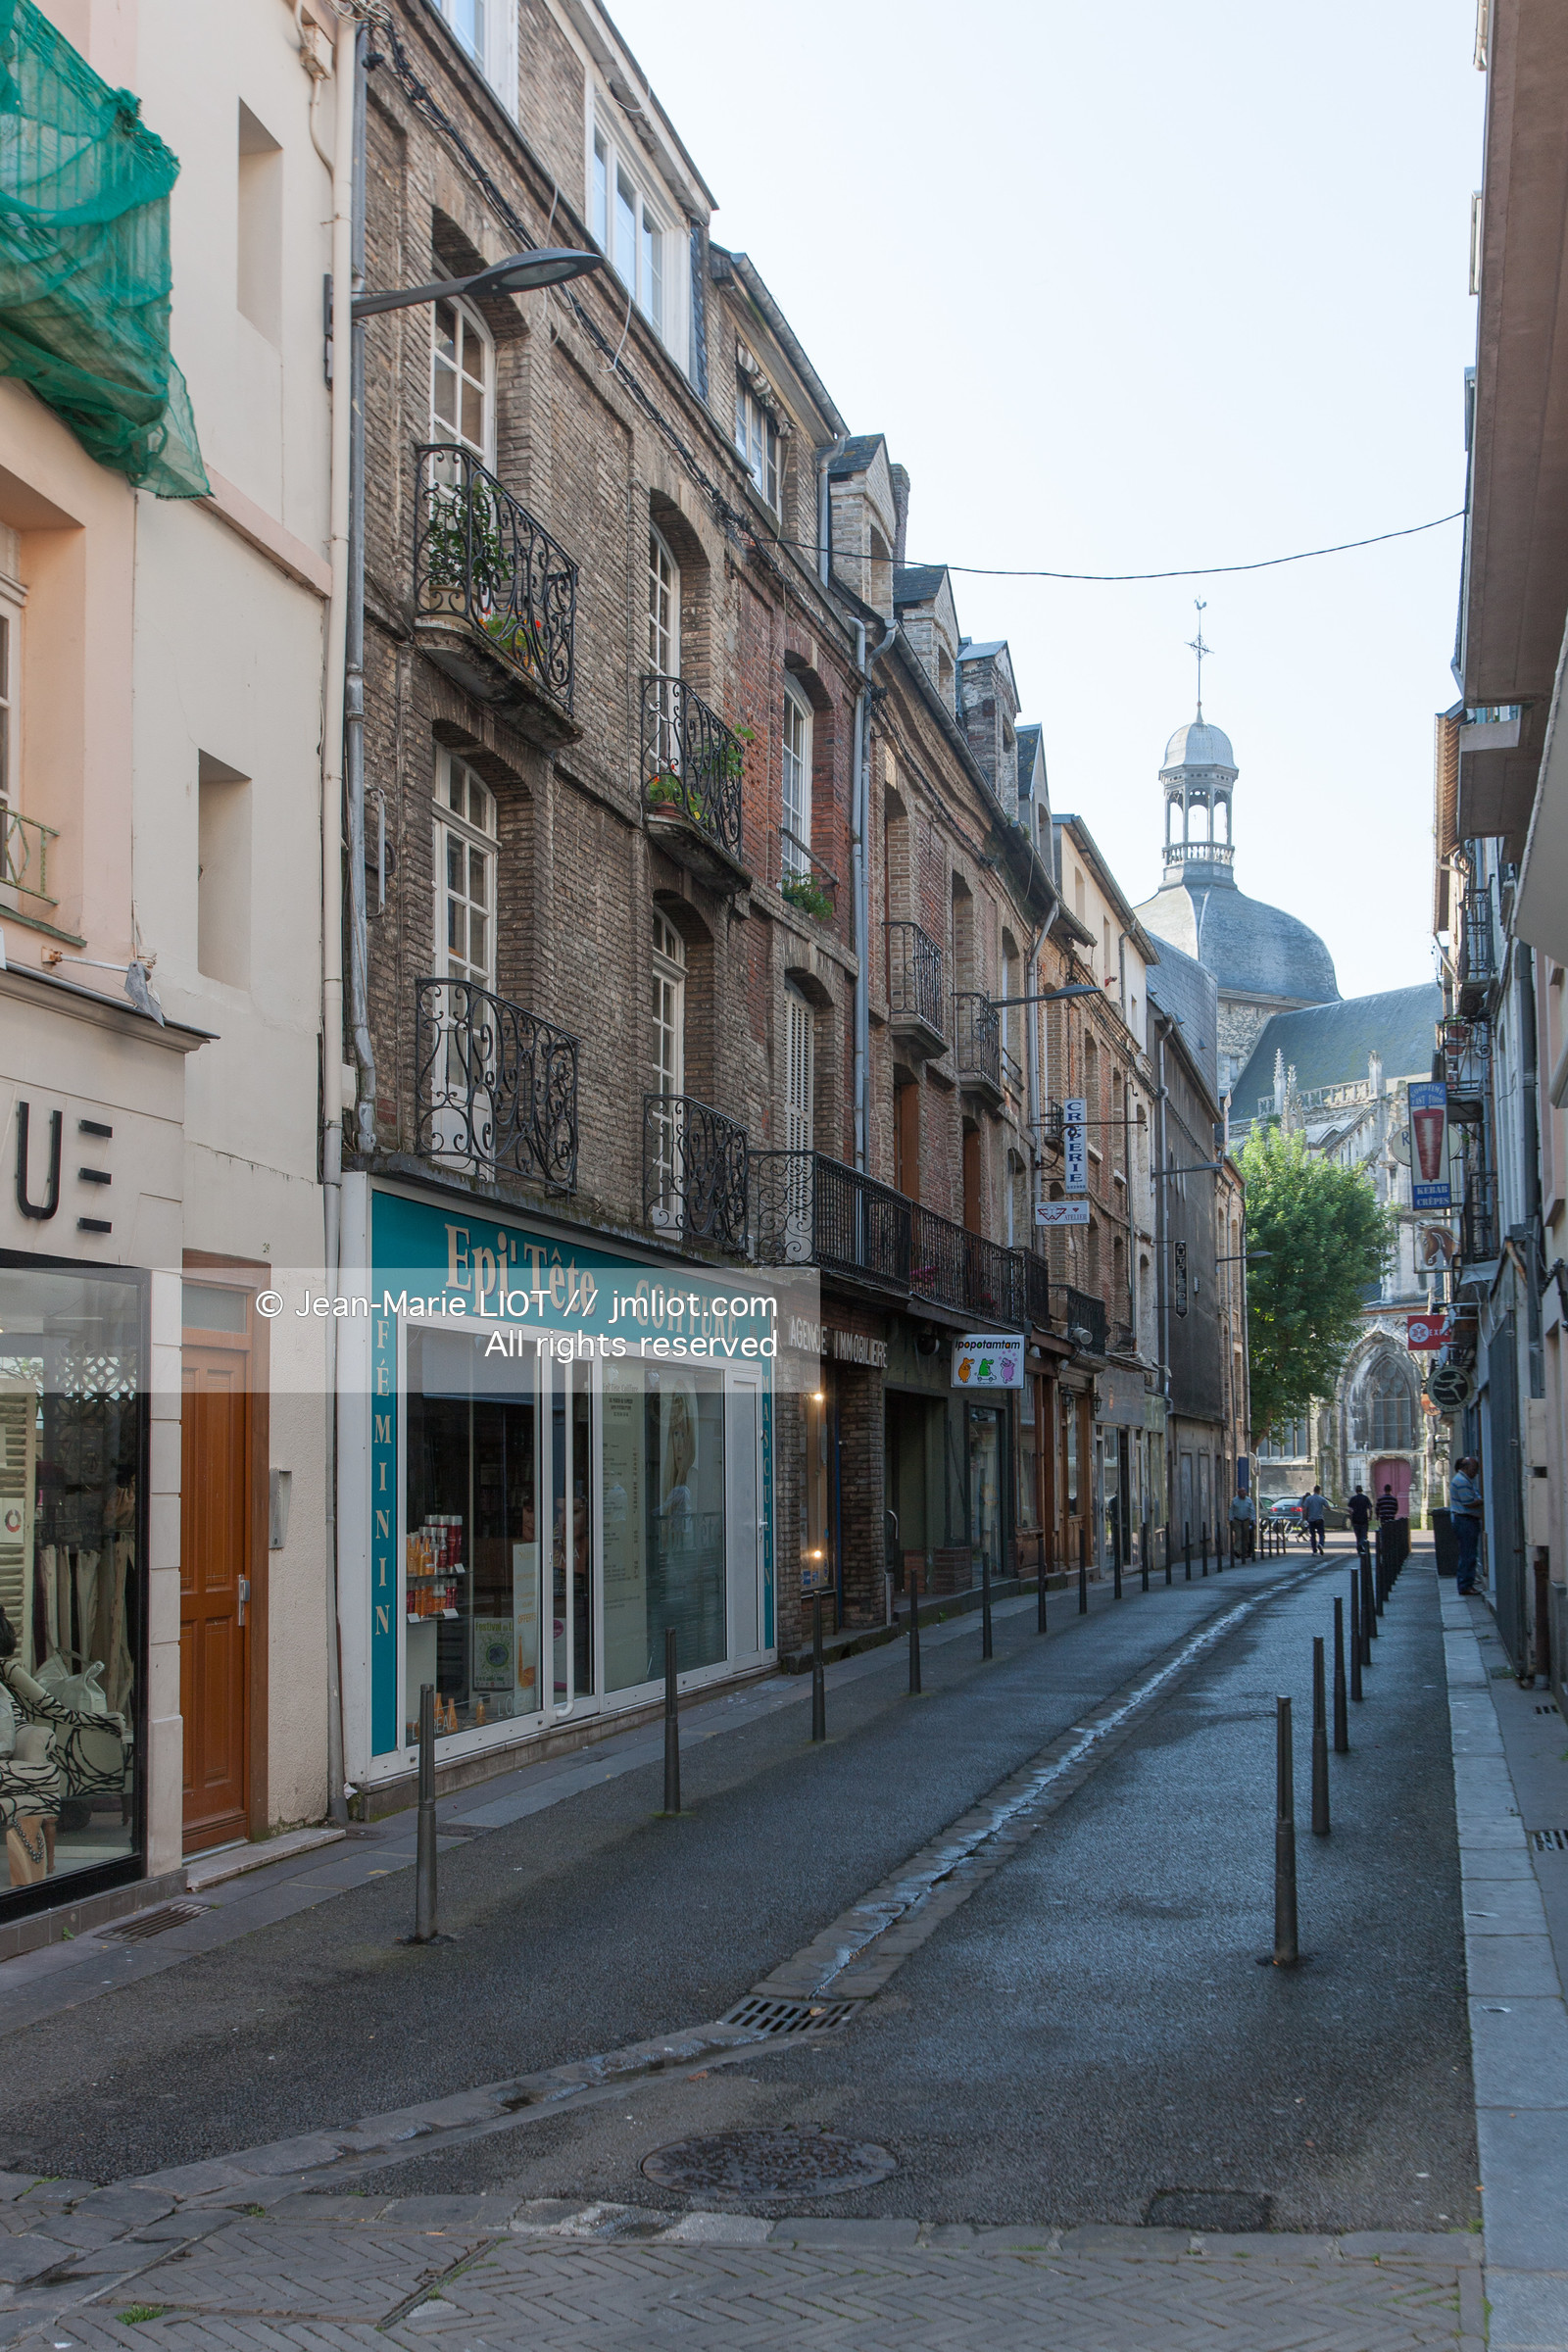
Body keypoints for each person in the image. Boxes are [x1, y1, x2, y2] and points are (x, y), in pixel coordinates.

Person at [1450, 1455, 1483, 1594]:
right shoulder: (1462, 1481)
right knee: (1468, 1554)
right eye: (1474, 1469)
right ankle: (1465, 1585)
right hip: (1465, 1520)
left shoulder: (1464, 1480)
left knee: (1468, 1553)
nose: (1476, 1472)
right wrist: (1484, 1500)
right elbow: (1468, 1502)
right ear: (1465, 1467)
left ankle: (1466, 1583)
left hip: (1466, 1520)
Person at [1229, 1487, 1256, 1561]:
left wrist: (1253, 1520)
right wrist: (1230, 1519)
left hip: (1246, 1520)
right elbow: (1231, 1510)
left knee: (1245, 1536)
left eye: (1244, 1492)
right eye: (1241, 1492)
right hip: (1237, 1520)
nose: (1243, 1493)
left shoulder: (1248, 1500)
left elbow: (1252, 1510)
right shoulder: (1235, 1500)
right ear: (1238, 1493)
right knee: (1238, 1535)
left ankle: (1244, 1552)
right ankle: (1236, 1550)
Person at [1302, 1484, 1327, 1554]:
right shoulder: (1322, 1499)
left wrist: (1304, 1518)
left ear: (1314, 1490)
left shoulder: (1308, 1499)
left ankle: (1314, 1550)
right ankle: (1321, 1544)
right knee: (1321, 1534)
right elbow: (1328, 1507)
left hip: (1311, 1519)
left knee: (1313, 1535)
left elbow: (1305, 1509)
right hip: (1319, 1519)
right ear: (1319, 1491)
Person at [1348, 1483, 1372, 1554]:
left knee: (1358, 1535)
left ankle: (1359, 1547)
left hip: (1355, 1519)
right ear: (1362, 1490)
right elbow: (1370, 1509)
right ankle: (1361, 1544)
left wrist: (1351, 1515)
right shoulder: (1365, 1498)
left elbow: (1349, 1509)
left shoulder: (1353, 1499)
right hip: (1364, 1519)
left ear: (1356, 1491)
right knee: (1364, 1535)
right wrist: (1370, 1516)